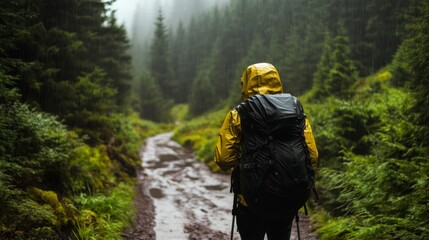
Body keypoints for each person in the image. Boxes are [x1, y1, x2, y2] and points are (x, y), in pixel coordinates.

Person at [214, 63, 318, 240]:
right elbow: (312, 156)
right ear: (276, 81)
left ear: (247, 84)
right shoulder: (295, 111)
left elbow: (223, 159)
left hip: (251, 199)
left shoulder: (239, 114)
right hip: (286, 195)